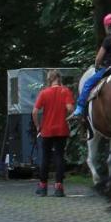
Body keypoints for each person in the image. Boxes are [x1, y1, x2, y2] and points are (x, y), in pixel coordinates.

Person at [71, 14, 111, 120]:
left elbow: (98, 58)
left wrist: (96, 66)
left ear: (106, 26)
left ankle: (79, 109)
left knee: (87, 84)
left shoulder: (108, 40)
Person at [32, 69, 74, 197]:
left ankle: (43, 187)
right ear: (59, 78)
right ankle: (59, 188)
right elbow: (70, 109)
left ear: (49, 79)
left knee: (45, 157)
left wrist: (38, 126)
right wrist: (68, 117)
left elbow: (34, 112)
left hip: (47, 130)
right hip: (62, 129)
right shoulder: (65, 91)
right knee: (60, 157)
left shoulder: (44, 93)